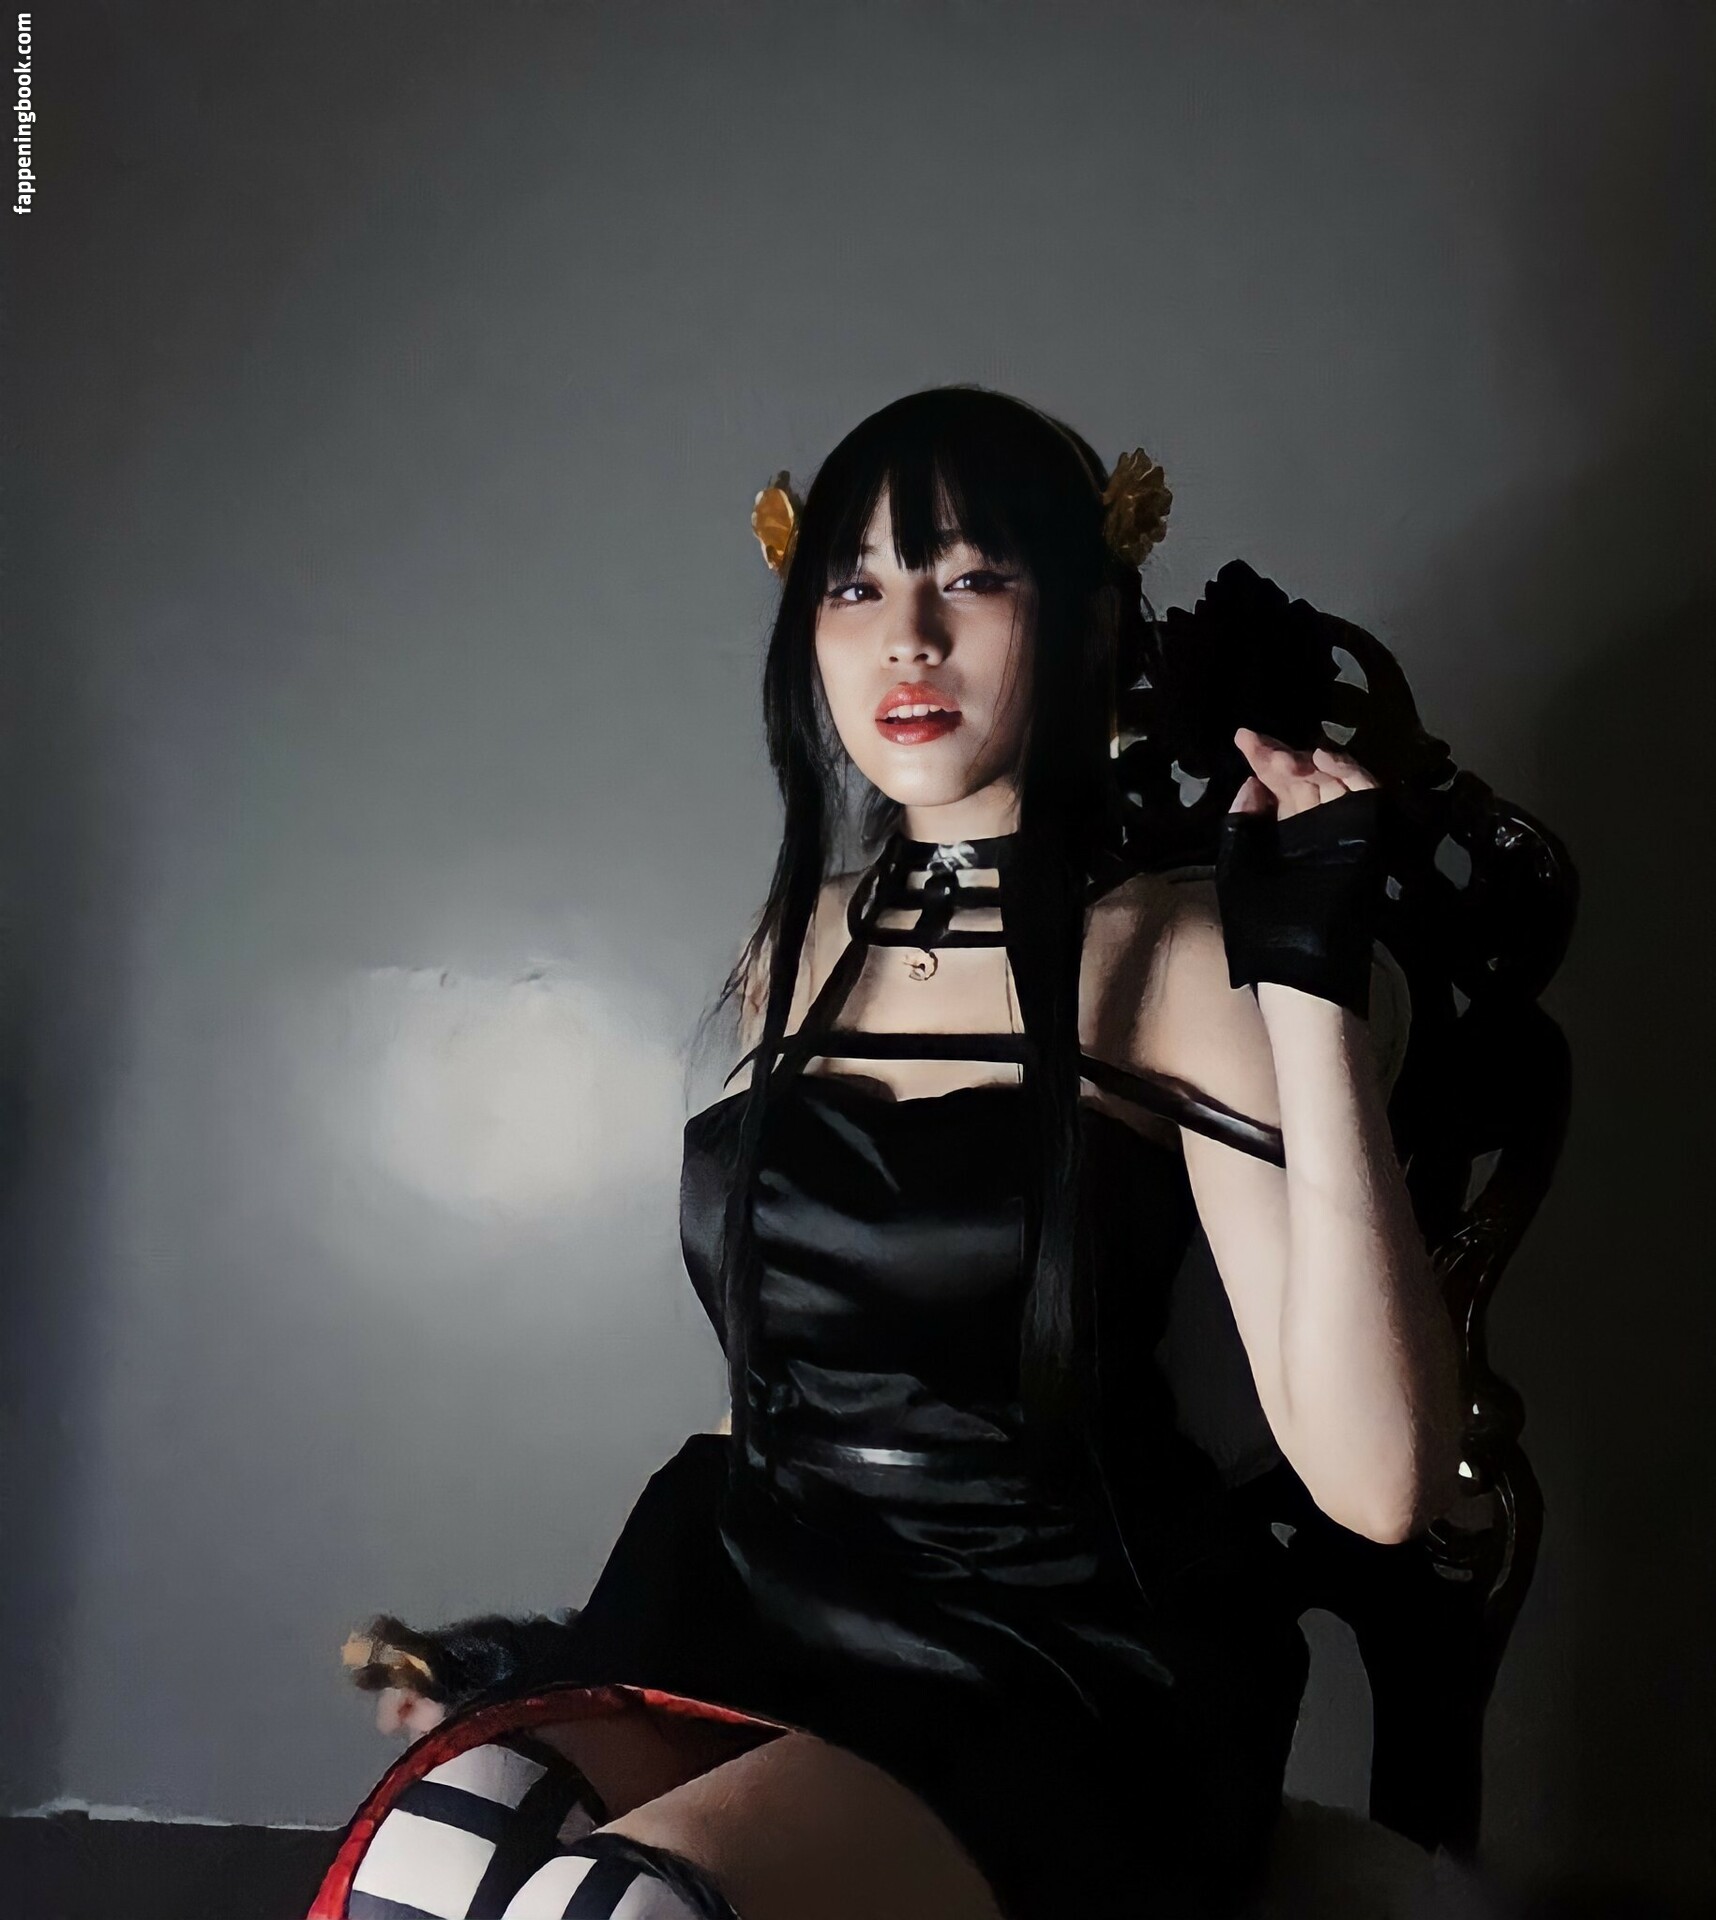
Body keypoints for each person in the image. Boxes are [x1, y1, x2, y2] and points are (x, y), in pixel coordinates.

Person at [315, 385, 1464, 1920]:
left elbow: (1380, 1487)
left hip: (1041, 1670)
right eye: (854, 587)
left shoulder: (1176, 953)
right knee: (427, 1862)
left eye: (970, 577)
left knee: (623, 1913)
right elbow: (766, 1393)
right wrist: (574, 1655)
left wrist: (1309, 984)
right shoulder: (792, 945)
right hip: (761, 1606)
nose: (906, 638)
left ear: (1091, 618)